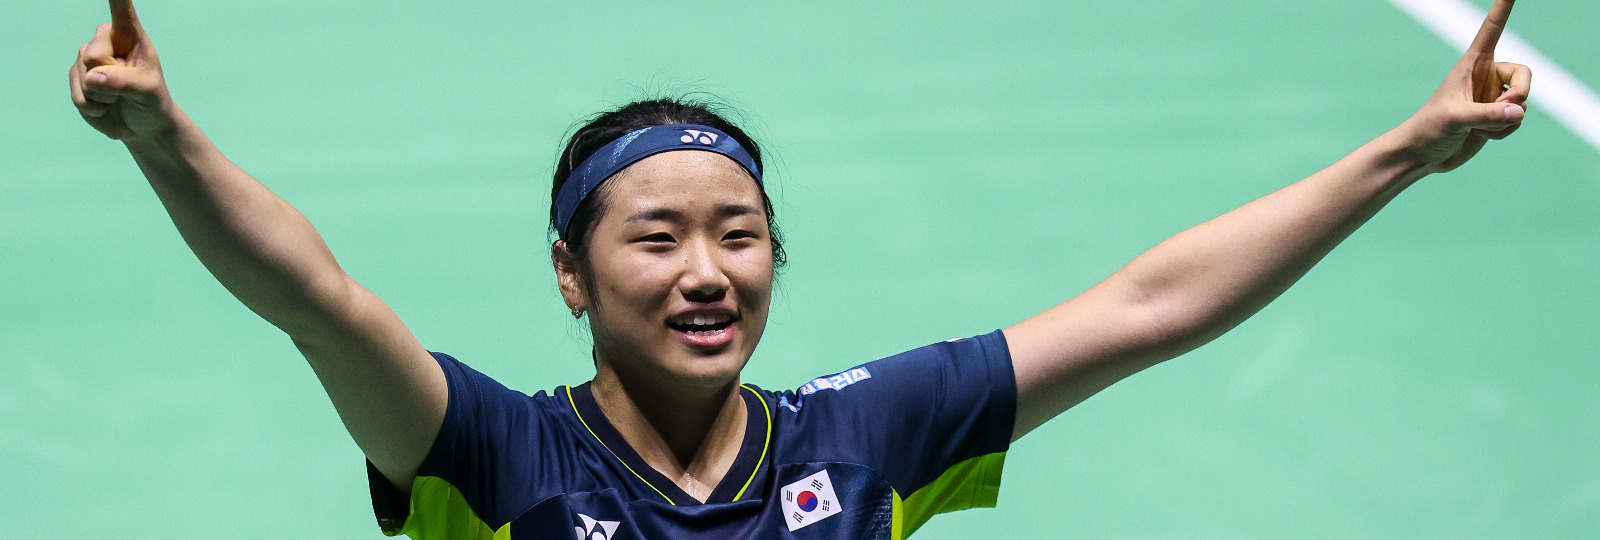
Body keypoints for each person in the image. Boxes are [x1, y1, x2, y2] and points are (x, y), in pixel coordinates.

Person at [68, 0, 1531, 538]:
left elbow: (1150, 309)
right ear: (572, 276)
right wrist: (164, 140)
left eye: (739, 232)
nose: (708, 271)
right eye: (655, 238)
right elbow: (315, 301)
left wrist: (1403, 152)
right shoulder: (494, 458)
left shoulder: (863, 436)